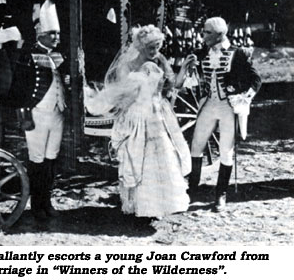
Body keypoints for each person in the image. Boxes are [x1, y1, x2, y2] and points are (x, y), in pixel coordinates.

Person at [85, 25, 192, 219]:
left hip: (158, 113)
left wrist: (183, 68)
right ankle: (142, 206)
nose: (155, 51)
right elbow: (123, 93)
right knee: (138, 157)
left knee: (165, 154)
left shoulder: (160, 60)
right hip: (137, 113)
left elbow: (173, 84)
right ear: (141, 47)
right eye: (151, 48)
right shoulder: (127, 65)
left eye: (157, 46)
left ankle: (163, 204)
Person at [187, 17, 261, 212]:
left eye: (207, 33)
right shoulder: (201, 53)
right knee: (195, 147)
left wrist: (244, 99)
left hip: (228, 108)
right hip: (208, 105)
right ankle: (192, 189)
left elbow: (255, 80)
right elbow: (193, 78)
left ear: (219, 35)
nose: (203, 36)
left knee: (226, 151)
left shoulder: (238, 53)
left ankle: (221, 194)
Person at [9, 0, 68, 220]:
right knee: (37, 159)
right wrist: (23, 113)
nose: (56, 38)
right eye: (52, 33)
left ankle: (47, 201)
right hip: (37, 113)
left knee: (52, 159)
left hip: (57, 113)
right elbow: (19, 87)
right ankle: (37, 205)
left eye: (58, 34)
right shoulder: (28, 54)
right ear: (40, 33)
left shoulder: (61, 56)